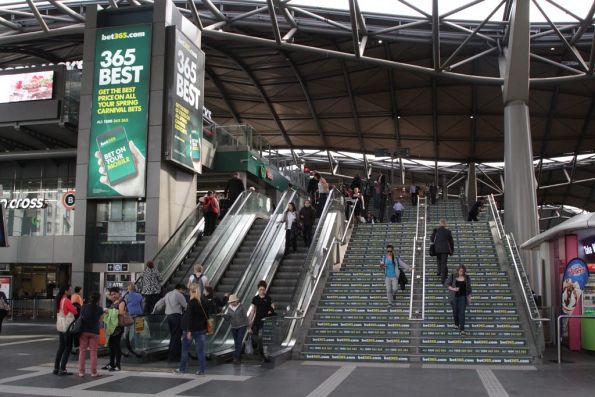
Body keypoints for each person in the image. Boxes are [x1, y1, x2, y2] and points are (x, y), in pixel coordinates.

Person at [177, 285, 208, 375]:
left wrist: (189, 331)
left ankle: (182, 369)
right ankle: (202, 370)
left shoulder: (192, 302)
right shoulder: (204, 301)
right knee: (201, 351)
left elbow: (190, 318)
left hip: (190, 330)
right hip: (201, 329)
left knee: (185, 350)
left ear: (191, 291)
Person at [78, 292, 105, 377]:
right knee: (93, 352)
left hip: (83, 331)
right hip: (94, 332)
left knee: (82, 351)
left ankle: (81, 372)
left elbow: (81, 317)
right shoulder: (99, 309)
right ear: (98, 299)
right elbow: (101, 319)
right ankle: (94, 372)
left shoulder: (84, 307)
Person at [53, 285, 78, 375]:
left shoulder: (59, 300)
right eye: (70, 289)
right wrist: (74, 308)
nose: (71, 291)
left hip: (61, 326)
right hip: (67, 327)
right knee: (68, 347)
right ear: (65, 291)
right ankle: (63, 368)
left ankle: (56, 368)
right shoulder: (66, 300)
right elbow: (74, 311)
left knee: (61, 347)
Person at [249, 280, 275, 362]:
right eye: (260, 289)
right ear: (258, 289)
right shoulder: (255, 299)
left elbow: (273, 307)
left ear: (265, 289)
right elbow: (253, 310)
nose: (262, 291)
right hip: (257, 321)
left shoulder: (268, 298)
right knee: (256, 338)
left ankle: (264, 356)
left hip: (266, 321)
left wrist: (271, 311)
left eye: (263, 289)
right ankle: (261, 353)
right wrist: (250, 322)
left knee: (262, 338)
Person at [102, 287, 126, 372]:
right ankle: (111, 363)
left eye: (114, 294)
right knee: (111, 346)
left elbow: (122, 312)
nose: (112, 296)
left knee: (116, 346)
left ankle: (118, 365)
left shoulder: (121, 302)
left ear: (118, 293)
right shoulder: (114, 301)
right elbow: (107, 295)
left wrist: (109, 311)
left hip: (118, 327)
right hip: (112, 327)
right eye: (111, 294)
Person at [222, 294, 249, 365]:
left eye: (233, 302)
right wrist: (224, 316)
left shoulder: (241, 306)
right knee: (236, 343)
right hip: (233, 327)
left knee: (239, 341)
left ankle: (236, 358)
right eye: (231, 302)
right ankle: (238, 358)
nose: (232, 303)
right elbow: (228, 318)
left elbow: (245, 317)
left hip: (241, 326)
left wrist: (248, 327)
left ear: (236, 301)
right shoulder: (229, 308)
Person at [164, 284, 188, 363]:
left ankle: (173, 355)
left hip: (168, 317)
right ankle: (173, 357)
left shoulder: (168, 294)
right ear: (181, 289)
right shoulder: (179, 295)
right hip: (176, 316)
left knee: (173, 336)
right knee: (176, 337)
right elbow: (186, 305)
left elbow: (161, 303)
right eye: (184, 291)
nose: (184, 292)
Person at [446, 265, 472, 335]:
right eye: (460, 271)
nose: (461, 272)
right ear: (457, 271)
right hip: (454, 297)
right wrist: (453, 289)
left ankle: (462, 329)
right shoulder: (452, 276)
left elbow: (469, 288)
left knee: (462, 313)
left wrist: (469, 298)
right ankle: (456, 324)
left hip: (463, 298)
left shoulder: (467, 277)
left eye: (463, 271)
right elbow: (447, 285)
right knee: (455, 312)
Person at [431, 219, 455, 284]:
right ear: (445, 224)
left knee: (439, 261)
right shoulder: (448, 231)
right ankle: (443, 278)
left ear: (440, 224)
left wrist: (434, 232)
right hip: (445, 250)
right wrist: (452, 250)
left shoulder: (436, 231)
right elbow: (451, 242)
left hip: (437, 249)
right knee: (443, 263)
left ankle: (440, 272)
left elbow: (432, 240)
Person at [70, 286, 84, 354]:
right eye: (81, 290)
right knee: (78, 329)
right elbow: (81, 305)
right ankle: (78, 346)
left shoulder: (72, 295)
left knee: (74, 327)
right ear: (79, 290)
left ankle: (75, 345)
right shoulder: (78, 296)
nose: (81, 291)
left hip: (73, 314)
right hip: (78, 314)